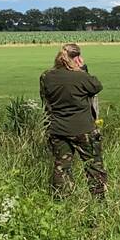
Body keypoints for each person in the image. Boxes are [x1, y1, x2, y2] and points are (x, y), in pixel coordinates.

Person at [39, 43, 106, 198]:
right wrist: (83, 69)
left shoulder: (46, 76)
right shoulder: (81, 76)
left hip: (57, 129)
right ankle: (99, 202)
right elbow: (96, 86)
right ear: (77, 58)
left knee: (61, 167)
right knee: (93, 166)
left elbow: (45, 99)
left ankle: (60, 202)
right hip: (83, 129)